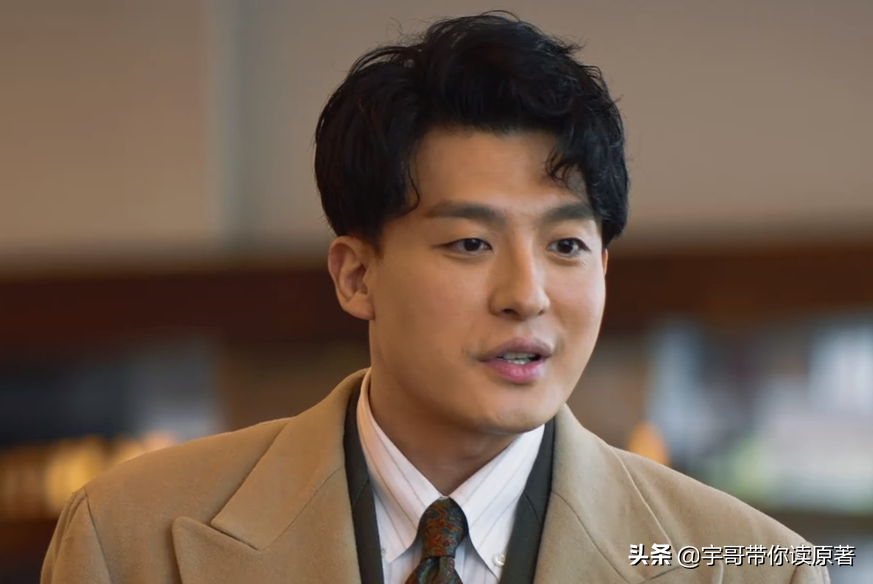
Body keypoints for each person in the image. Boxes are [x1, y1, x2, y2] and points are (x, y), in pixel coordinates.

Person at [42, 11, 830, 584]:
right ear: (356, 276)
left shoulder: (754, 568)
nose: (526, 296)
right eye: (469, 244)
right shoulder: (130, 538)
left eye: (564, 246)